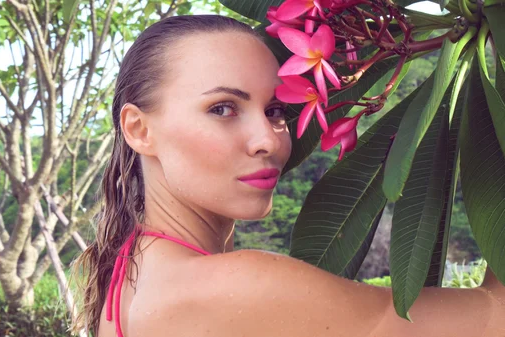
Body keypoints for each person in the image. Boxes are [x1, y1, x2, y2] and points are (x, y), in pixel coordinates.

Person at [72, 15, 505, 337]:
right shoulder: (229, 285)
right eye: (222, 108)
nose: (270, 140)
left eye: (275, 110)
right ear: (139, 130)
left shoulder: (126, 273)